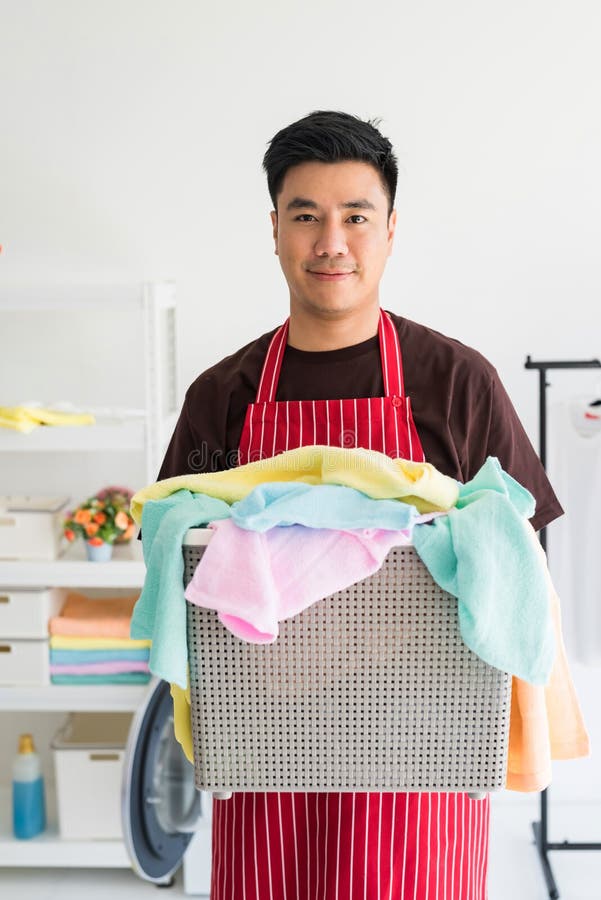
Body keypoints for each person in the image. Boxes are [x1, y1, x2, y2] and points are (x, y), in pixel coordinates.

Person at [158, 110, 563, 900]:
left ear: (389, 230)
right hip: (265, 729)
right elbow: (177, 539)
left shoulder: (455, 381)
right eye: (305, 216)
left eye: (354, 216)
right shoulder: (226, 395)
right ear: (273, 228)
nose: (329, 242)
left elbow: (521, 549)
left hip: (427, 732)